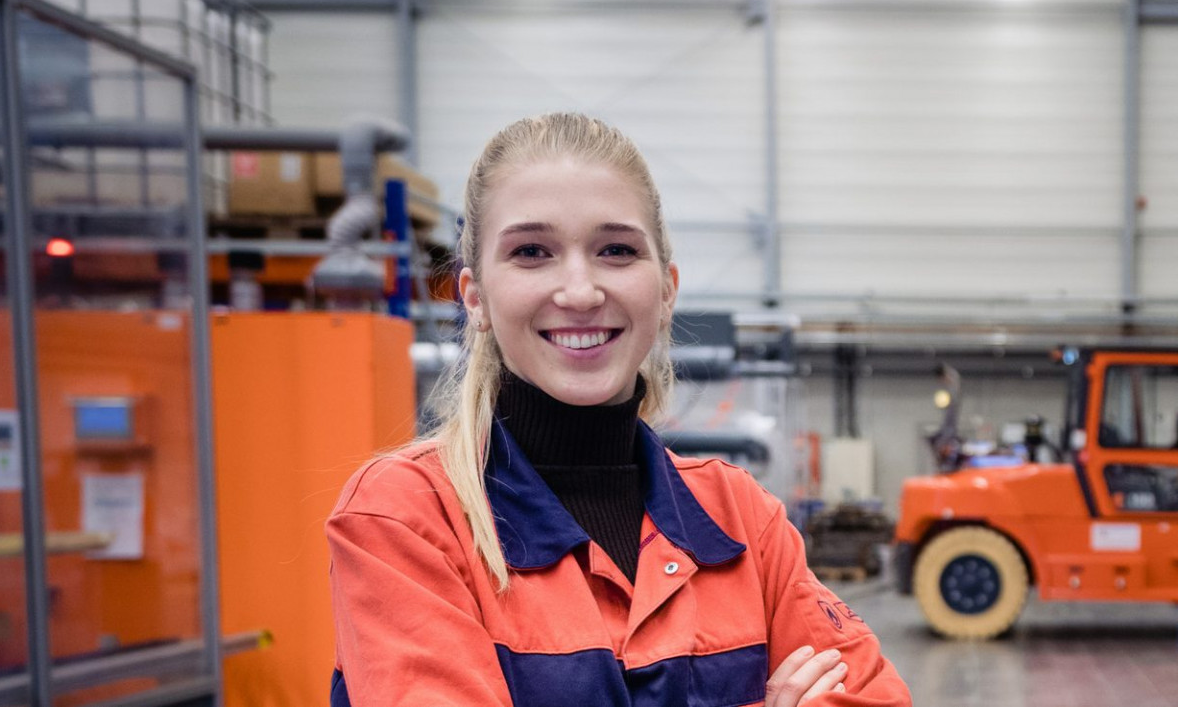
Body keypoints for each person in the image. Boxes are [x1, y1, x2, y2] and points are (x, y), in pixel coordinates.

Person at [327, 113, 912, 706]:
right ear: (475, 297)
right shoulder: (404, 521)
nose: (580, 292)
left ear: (665, 291)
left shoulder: (743, 522)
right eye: (532, 251)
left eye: (616, 250)